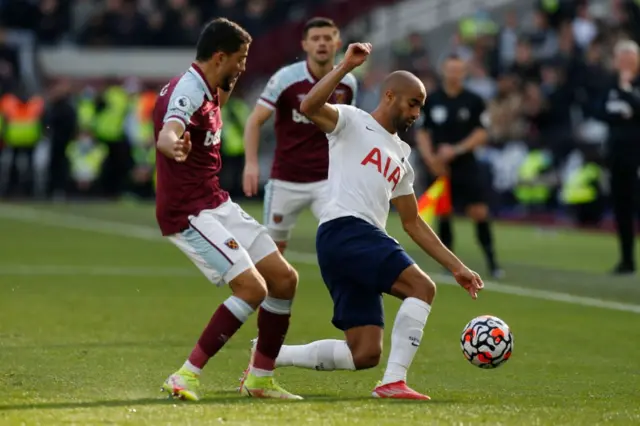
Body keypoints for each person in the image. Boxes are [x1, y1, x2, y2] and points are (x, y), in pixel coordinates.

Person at [240, 43, 484, 400]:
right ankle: (394, 382)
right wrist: (344, 67)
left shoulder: (403, 155)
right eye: (413, 103)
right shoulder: (352, 121)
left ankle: (267, 354)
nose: (417, 112)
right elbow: (308, 107)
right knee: (422, 288)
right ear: (390, 96)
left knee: (365, 352)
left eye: (421, 106)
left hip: (355, 242)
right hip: (347, 230)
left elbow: (413, 222)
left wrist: (457, 266)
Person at [153, 18, 301, 401]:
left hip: (216, 201)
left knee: (284, 279)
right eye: (241, 58)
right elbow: (169, 130)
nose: (243, 66)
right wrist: (172, 145)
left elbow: (211, 110)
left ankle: (261, 379)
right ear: (220, 57)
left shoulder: (209, 86)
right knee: (253, 289)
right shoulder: (187, 89)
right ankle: (185, 376)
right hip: (189, 212)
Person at [242, 17, 358, 254]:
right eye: (316, 39)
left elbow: (347, 129)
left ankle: (344, 290)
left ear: (338, 44)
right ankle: (271, 292)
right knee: (274, 251)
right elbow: (254, 120)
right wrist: (251, 164)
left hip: (328, 180)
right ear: (304, 44)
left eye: (328, 38)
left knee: (342, 242)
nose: (322, 43)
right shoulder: (286, 79)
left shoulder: (347, 83)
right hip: (286, 179)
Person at [415, 55, 503, 279]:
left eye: (459, 70)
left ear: (464, 73)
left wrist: (456, 149)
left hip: (466, 164)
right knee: (444, 214)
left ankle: (493, 262)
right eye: (450, 70)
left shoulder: (474, 101)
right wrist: (430, 158)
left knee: (479, 212)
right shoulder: (431, 100)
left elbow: (482, 133)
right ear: (444, 71)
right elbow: (422, 132)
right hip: (440, 167)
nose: (454, 74)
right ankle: (449, 265)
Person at [596, 40, 640, 275]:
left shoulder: (628, 85)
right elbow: (599, 110)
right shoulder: (609, 84)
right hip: (617, 155)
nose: (625, 64)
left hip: (637, 154)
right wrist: (625, 110)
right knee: (622, 208)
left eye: (630, 59)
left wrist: (626, 93)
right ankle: (627, 259)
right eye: (622, 59)